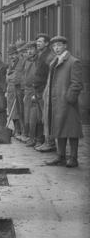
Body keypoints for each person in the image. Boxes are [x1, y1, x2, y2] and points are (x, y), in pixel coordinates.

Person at [44, 36, 83, 168]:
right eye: (54, 46)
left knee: (72, 130)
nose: (56, 48)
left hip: (67, 102)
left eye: (59, 45)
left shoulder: (73, 62)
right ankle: (61, 156)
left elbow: (76, 84)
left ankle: (73, 158)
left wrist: (69, 98)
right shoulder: (54, 61)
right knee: (58, 128)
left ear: (65, 46)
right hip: (56, 102)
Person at [33, 33, 56, 152]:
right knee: (41, 117)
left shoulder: (49, 56)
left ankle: (50, 142)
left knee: (47, 117)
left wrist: (47, 90)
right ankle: (44, 141)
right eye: (37, 41)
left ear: (47, 43)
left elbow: (51, 76)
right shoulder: (40, 55)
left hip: (44, 90)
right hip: (38, 89)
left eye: (40, 42)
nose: (37, 43)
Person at [6, 44, 25, 139]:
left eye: (13, 54)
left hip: (16, 88)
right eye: (10, 54)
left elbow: (19, 75)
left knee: (17, 111)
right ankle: (16, 129)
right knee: (11, 110)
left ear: (17, 54)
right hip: (10, 90)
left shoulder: (21, 62)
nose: (11, 56)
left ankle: (19, 130)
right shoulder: (11, 63)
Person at [22, 41, 40, 147]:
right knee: (27, 115)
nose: (29, 51)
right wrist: (25, 90)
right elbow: (25, 75)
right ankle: (31, 137)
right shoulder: (27, 61)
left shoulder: (38, 60)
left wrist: (35, 91)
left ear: (36, 49)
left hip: (35, 90)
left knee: (36, 116)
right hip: (27, 91)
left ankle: (37, 139)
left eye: (31, 49)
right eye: (28, 49)